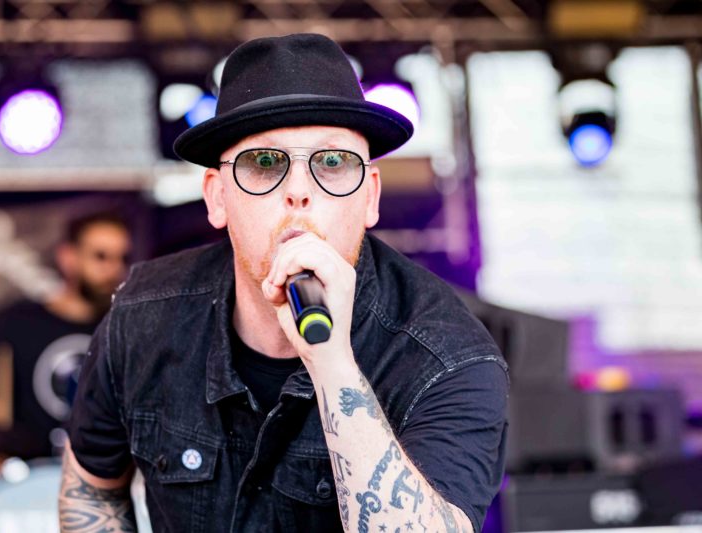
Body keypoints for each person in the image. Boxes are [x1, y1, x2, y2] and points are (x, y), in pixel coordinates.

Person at [60, 34, 507, 533]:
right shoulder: (142, 319)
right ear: (218, 198)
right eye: (264, 163)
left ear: (370, 198)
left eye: (332, 163)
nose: (298, 191)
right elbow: (92, 490)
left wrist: (333, 364)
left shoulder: (447, 355)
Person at [0, 212, 131, 458]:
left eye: (122, 258)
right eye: (101, 256)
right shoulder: (21, 323)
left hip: (105, 472)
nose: (114, 269)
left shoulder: (127, 328)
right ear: (68, 258)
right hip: (28, 473)